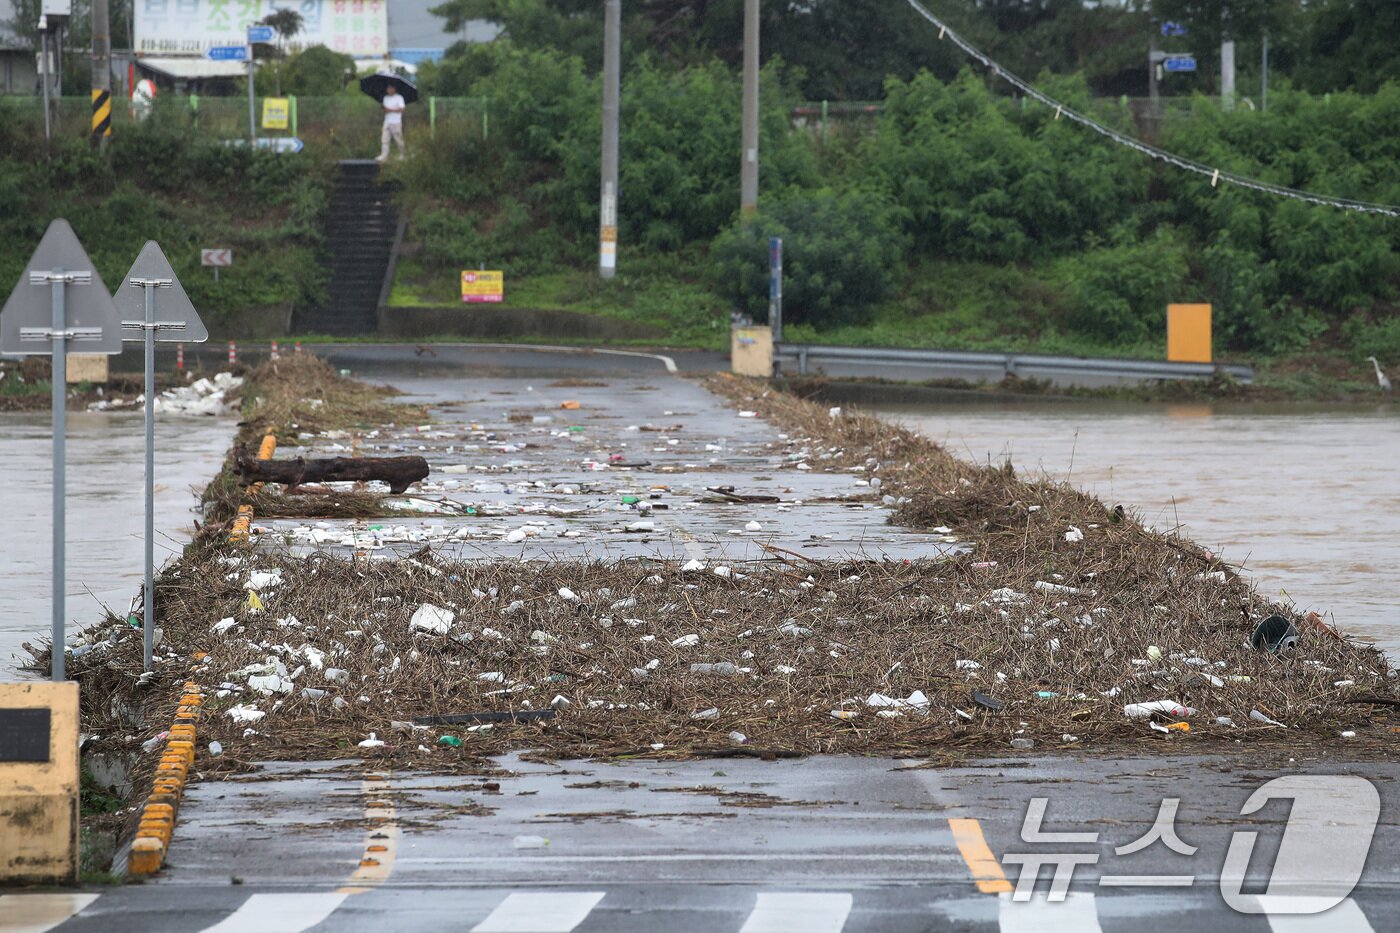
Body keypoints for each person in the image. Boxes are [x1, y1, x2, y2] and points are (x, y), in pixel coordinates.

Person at [378, 86, 406, 162]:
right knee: (384, 139)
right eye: (388, 89)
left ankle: (402, 155)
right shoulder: (385, 98)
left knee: (398, 139)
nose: (389, 90)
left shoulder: (399, 97)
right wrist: (384, 109)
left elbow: (402, 109)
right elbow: (385, 109)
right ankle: (384, 156)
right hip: (387, 121)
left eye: (391, 88)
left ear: (394, 89)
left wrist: (391, 110)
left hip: (396, 122)